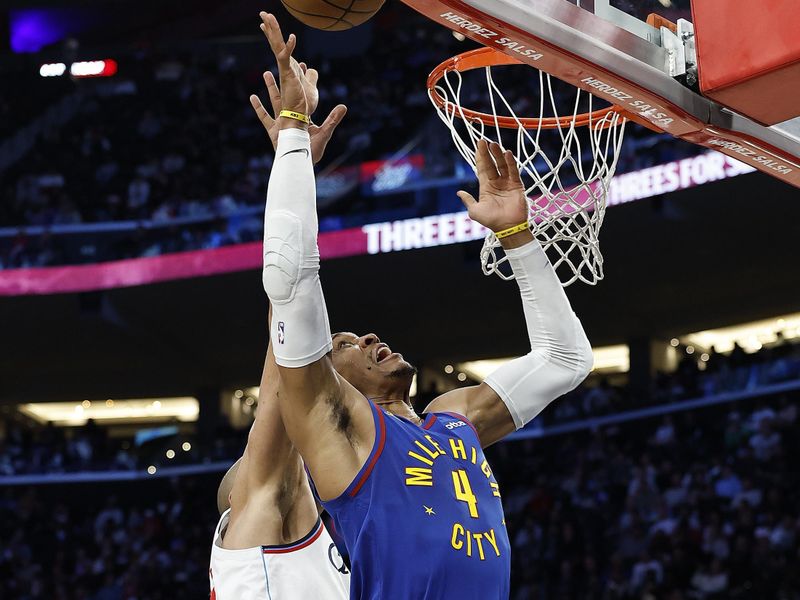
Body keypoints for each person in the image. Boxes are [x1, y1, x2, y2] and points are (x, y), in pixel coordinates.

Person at [259, 12, 593, 598]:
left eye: (357, 334)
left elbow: (567, 359)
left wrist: (517, 236)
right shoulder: (342, 433)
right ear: (323, 379)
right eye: (343, 345)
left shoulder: (456, 417)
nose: (365, 339)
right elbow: (288, 277)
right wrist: (292, 131)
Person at [209, 45, 350, 598]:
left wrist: (293, 147)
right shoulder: (280, 507)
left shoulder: (284, 515)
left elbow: (285, 332)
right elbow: (285, 334)